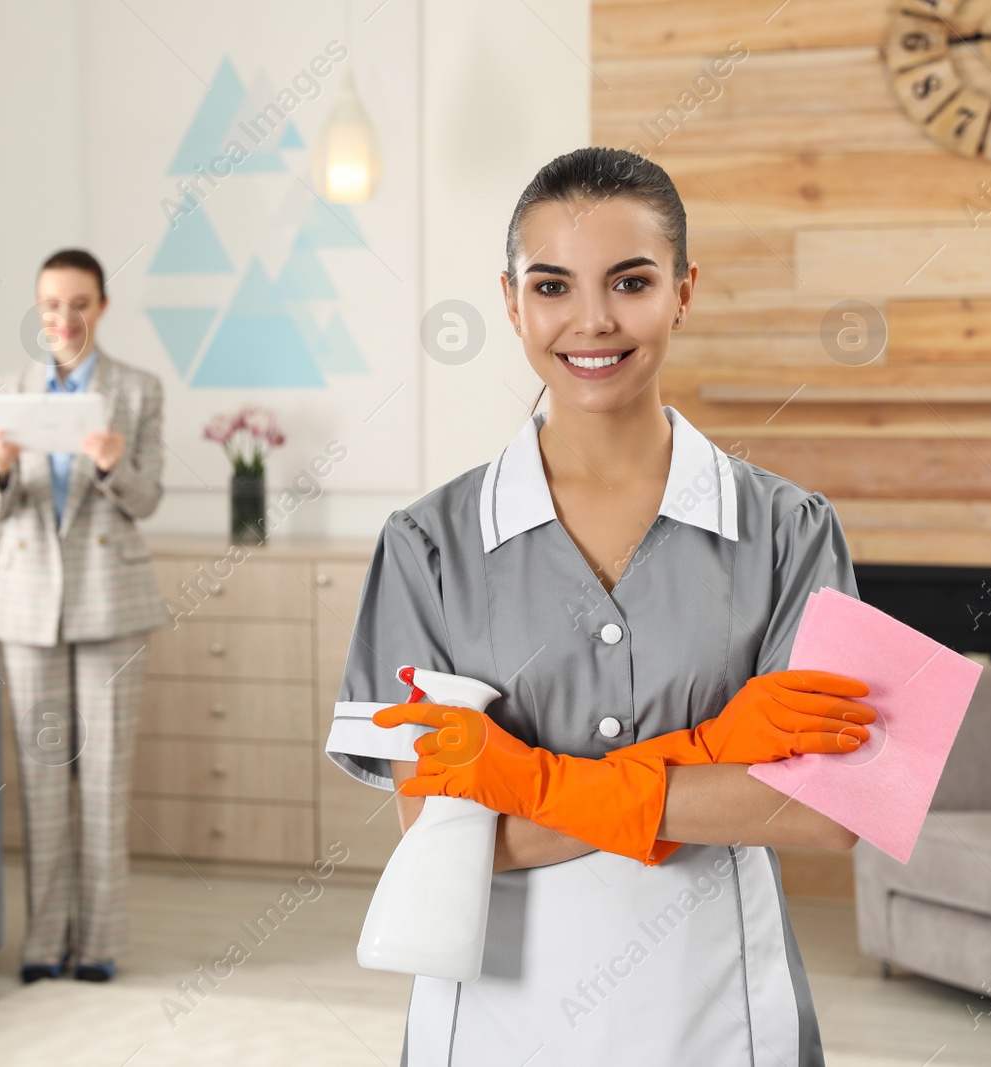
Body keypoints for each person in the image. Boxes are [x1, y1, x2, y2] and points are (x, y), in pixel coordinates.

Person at [324, 147, 877, 1065]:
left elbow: (822, 814)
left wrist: (525, 782)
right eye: (551, 286)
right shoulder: (427, 545)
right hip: (494, 1019)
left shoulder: (789, 530)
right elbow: (443, 843)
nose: (591, 320)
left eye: (630, 281)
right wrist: (717, 754)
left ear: (684, 291)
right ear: (510, 301)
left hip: (723, 1013)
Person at [0, 248, 170, 984]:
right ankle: (42, 942)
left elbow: (147, 500)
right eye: (52, 305)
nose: (64, 318)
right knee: (41, 776)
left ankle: (96, 945)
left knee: (105, 779)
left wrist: (115, 462)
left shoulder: (138, 390)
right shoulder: (7, 390)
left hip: (110, 603)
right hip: (27, 605)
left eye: (79, 303)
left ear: (102, 307)